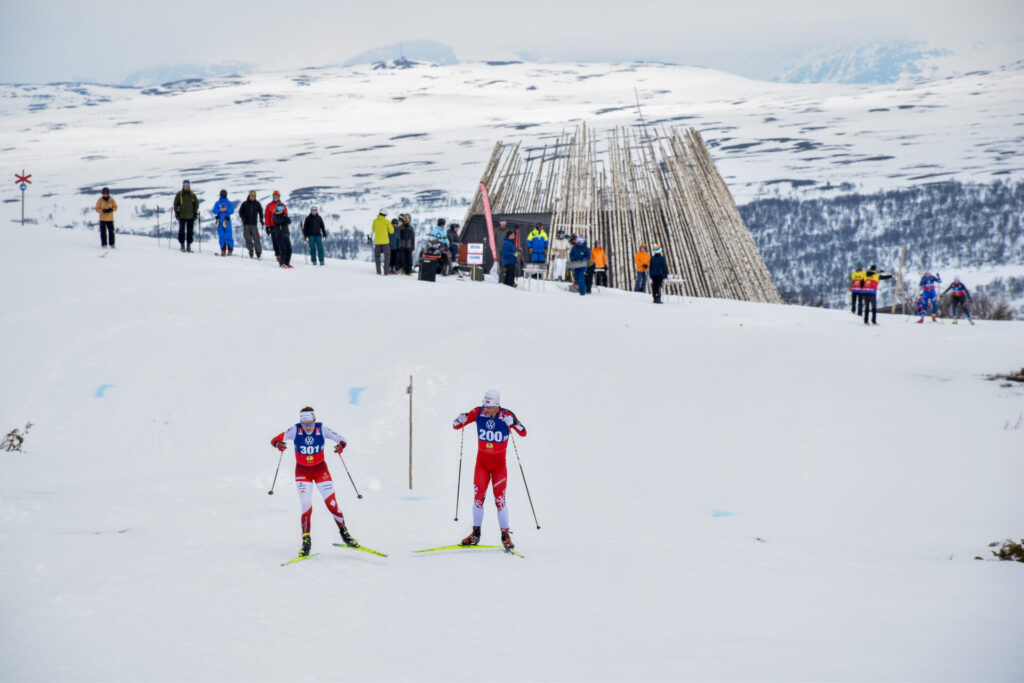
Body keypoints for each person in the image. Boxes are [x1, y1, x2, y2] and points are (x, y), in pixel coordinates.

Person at [270, 406, 358, 557]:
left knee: (332, 504)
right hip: (302, 472)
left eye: (310, 423)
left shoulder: (321, 429)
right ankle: (306, 543)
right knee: (306, 506)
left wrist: (340, 447)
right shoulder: (295, 430)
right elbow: (274, 440)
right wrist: (280, 445)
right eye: (304, 424)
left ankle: (345, 535)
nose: (307, 427)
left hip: (321, 471)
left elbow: (343, 440)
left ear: (314, 420)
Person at [452, 390, 527, 551]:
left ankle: (505, 535)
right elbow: (456, 425)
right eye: (485, 406)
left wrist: (513, 422)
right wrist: (459, 418)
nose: (485, 409)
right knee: (478, 499)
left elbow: (523, 432)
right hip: (482, 465)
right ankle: (475, 534)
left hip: (499, 466)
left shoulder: (506, 415)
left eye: (489, 407)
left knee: (500, 500)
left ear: (497, 405)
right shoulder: (477, 412)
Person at [173, 180, 200, 252]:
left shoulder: (192, 195)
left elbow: (196, 204)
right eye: (185, 185)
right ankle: (182, 244)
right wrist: (176, 212)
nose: (186, 186)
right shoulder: (179, 195)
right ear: (183, 186)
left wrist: (195, 212)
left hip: (191, 216)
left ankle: (188, 245)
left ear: (189, 186)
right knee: (181, 231)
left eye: (187, 185)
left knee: (190, 232)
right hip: (182, 215)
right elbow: (175, 204)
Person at [238, 190, 264, 259]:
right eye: (251, 196)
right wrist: (243, 218)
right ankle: (251, 250)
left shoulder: (257, 204)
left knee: (256, 239)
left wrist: (261, 220)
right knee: (248, 238)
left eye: (254, 196)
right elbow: (240, 212)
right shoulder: (244, 203)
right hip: (246, 224)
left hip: (254, 224)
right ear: (249, 196)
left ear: (255, 196)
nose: (252, 197)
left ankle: (258, 253)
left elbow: (261, 212)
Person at [211, 189, 235, 256]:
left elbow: (232, 211)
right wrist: (220, 209)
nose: (223, 196)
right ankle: (223, 250)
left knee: (229, 235)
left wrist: (226, 209)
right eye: (223, 195)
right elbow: (214, 211)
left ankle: (230, 250)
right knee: (221, 236)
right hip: (219, 222)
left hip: (227, 221)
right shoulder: (218, 203)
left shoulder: (229, 203)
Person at [264, 191, 285, 262]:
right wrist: (267, 226)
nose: (276, 197)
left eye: (277, 196)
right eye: (275, 196)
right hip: (273, 226)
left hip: (281, 226)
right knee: (275, 241)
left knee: (281, 241)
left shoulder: (282, 205)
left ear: (279, 197)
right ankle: (278, 255)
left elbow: (285, 215)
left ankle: (283, 254)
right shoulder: (269, 205)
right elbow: (266, 216)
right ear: (273, 197)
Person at [371, 210, 393, 275]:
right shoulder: (387, 222)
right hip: (385, 242)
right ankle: (386, 272)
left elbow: (373, 230)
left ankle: (378, 271)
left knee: (377, 256)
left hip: (377, 242)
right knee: (387, 256)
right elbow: (391, 231)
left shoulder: (375, 221)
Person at [272, 203, 293, 268]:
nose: (280, 209)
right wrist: (285, 220)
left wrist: (284, 220)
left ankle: (287, 263)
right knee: (283, 249)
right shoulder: (275, 214)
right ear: (277, 208)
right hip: (279, 234)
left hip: (286, 233)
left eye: (282, 208)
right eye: (279, 208)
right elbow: (279, 221)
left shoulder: (284, 214)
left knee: (289, 249)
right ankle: (282, 263)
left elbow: (289, 221)